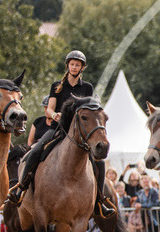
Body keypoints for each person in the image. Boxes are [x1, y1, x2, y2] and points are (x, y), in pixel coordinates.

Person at [7, 50, 115, 217]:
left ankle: (100, 200)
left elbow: (89, 110)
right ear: (68, 66)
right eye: (72, 64)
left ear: (82, 68)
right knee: (35, 151)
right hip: (58, 128)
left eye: (77, 65)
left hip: (79, 132)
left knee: (99, 162)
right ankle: (20, 188)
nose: (74, 67)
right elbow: (49, 108)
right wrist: (54, 115)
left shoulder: (87, 87)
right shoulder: (57, 86)